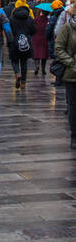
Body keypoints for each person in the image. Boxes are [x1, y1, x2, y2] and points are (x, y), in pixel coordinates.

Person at [53, 13, 76, 148]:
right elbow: (59, 48)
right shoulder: (68, 28)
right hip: (72, 73)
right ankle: (74, 135)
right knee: (73, 106)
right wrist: (71, 62)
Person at [8, 0, 35, 90]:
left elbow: (9, 30)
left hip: (14, 42)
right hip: (26, 42)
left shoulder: (12, 18)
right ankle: (23, 82)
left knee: (14, 60)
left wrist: (9, 41)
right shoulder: (29, 18)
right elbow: (33, 30)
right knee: (24, 62)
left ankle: (17, 73)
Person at [32, 7, 49, 77]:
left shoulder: (36, 19)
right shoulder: (47, 20)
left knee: (36, 53)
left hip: (36, 37)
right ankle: (43, 70)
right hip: (44, 38)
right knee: (44, 55)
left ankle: (37, 66)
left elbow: (32, 27)